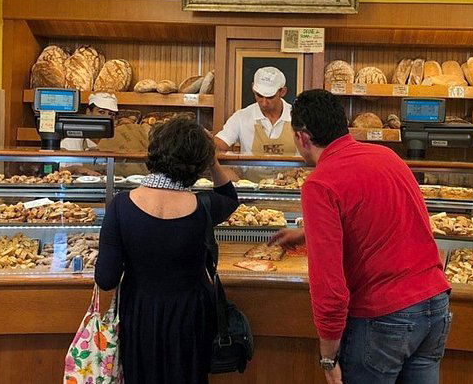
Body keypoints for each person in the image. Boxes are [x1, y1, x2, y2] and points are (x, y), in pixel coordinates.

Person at [270, 89, 452, 384]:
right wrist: (309, 234)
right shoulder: (386, 156)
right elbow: (391, 216)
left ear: (302, 137)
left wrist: (328, 357)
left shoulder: (320, 183)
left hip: (385, 317)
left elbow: (329, 287)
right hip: (435, 305)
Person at [95, 117, 239, 383]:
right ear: (198, 163)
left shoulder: (121, 206)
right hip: (191, 316)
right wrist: (214, 162)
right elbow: (231, 197)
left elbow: (106, 278)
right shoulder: (205, 206)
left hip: (139, 315)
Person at [215, 66, 296, 156]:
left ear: (282, 92)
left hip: (293, 171)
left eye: (270, 97)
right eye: (259, 95)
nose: (264, 103)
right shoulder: (241, 117)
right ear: (253, 88)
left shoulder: (298, 117)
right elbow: (220, 144)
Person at [60, 92, 119, 176]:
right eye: (101, 112)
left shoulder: (117, 141)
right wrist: (76, 169)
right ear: (88, 112)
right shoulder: (71, 142)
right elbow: (57, 171)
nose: (107, 117)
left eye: (111, 114)